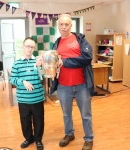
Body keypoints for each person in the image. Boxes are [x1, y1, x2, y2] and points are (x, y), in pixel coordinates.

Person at [50, 14, 94, 150]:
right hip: (63, 86)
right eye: (61, 25)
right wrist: (46, 62)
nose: (64, 27)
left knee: (86, 114)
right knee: (66, 114)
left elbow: (87, 58)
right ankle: (69, 134)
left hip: (82, 85)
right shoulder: (56, 43)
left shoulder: (79, 39)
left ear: (71, 25)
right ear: (58, 26)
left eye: (66, 24)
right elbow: (53, 62)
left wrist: (66, 62)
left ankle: (88, 138)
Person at [9, 37, 45, 150]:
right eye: (27, 46)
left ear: (34, 48)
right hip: (23, 100)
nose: (30, 49)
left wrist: (40, 68)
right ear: (23, 46)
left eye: (32, 47)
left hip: (37, 98)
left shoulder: (38, 61)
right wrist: (22, 81)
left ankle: (38, 140)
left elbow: (43, 77)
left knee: (39, 120)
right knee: (25, 121)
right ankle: (29, 139)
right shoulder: (17, 63)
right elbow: (12, 79)